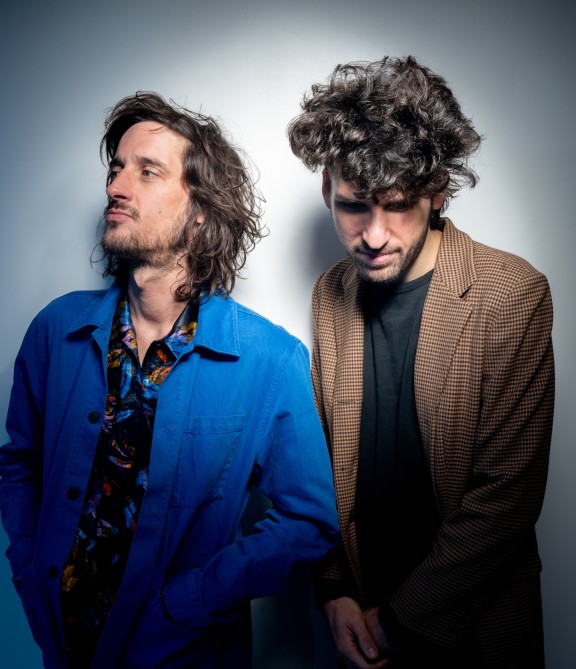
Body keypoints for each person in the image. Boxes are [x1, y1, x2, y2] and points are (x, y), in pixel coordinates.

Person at [0, 92, 339, 669]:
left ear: (200, 210)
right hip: (64, 647)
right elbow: (20, 463)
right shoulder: (56, 331)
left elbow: (308, 520)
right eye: (116, 169)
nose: (116, 187)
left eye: (147, 171)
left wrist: (195, 598)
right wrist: (31, 570)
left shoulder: (270, 360)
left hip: (186, 653)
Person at [287, 56, 555, 668]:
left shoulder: (512, 293)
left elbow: (508, 497)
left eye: (398, 204)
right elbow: (322, 458)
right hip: (359, 618)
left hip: (475, 626)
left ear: (437, 192)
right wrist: (332, 588)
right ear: (327, 189)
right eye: (354, 206)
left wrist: (398, 623)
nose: (374, 235)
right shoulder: (331, 291)